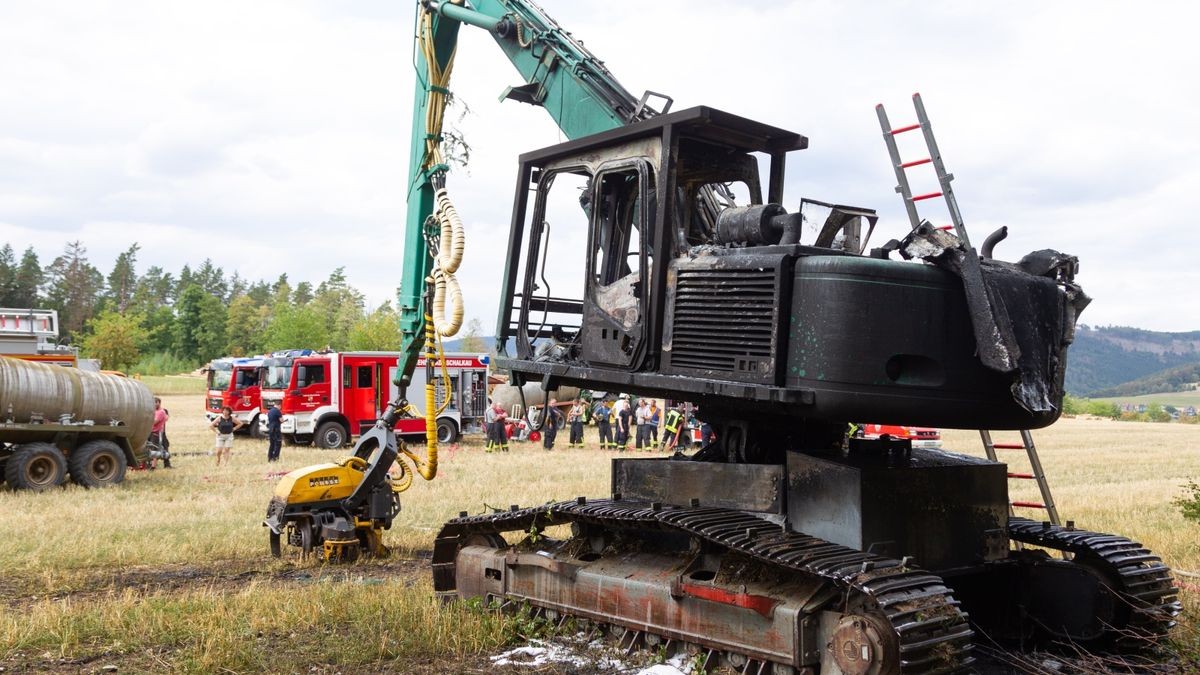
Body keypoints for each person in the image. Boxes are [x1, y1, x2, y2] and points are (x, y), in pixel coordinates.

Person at [150, 397, 171, 468]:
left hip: (159, 432)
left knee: (162, 447)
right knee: (153, 448)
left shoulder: (162, 411)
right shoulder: (152, 411)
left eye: (156, 402)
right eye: (153, 402)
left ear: (159, 403)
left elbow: (156, 421)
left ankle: (165, 464)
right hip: (153, 432)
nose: (155, 404)